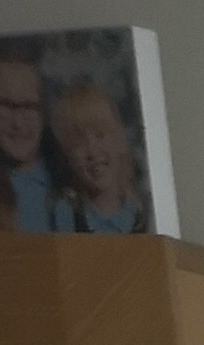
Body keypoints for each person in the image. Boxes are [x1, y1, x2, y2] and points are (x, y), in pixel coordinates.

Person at [48, 77, 148, 232]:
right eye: (78, 143)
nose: (93, 151)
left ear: (120, 140)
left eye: (100, 135)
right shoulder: (66, 214)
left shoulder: (141, 215)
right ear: (68, 158)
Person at [0, 44, 56, 232]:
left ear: (44, 112)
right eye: (4, 105)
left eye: (28, 106)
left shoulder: (69, 186)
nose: (17, 123)